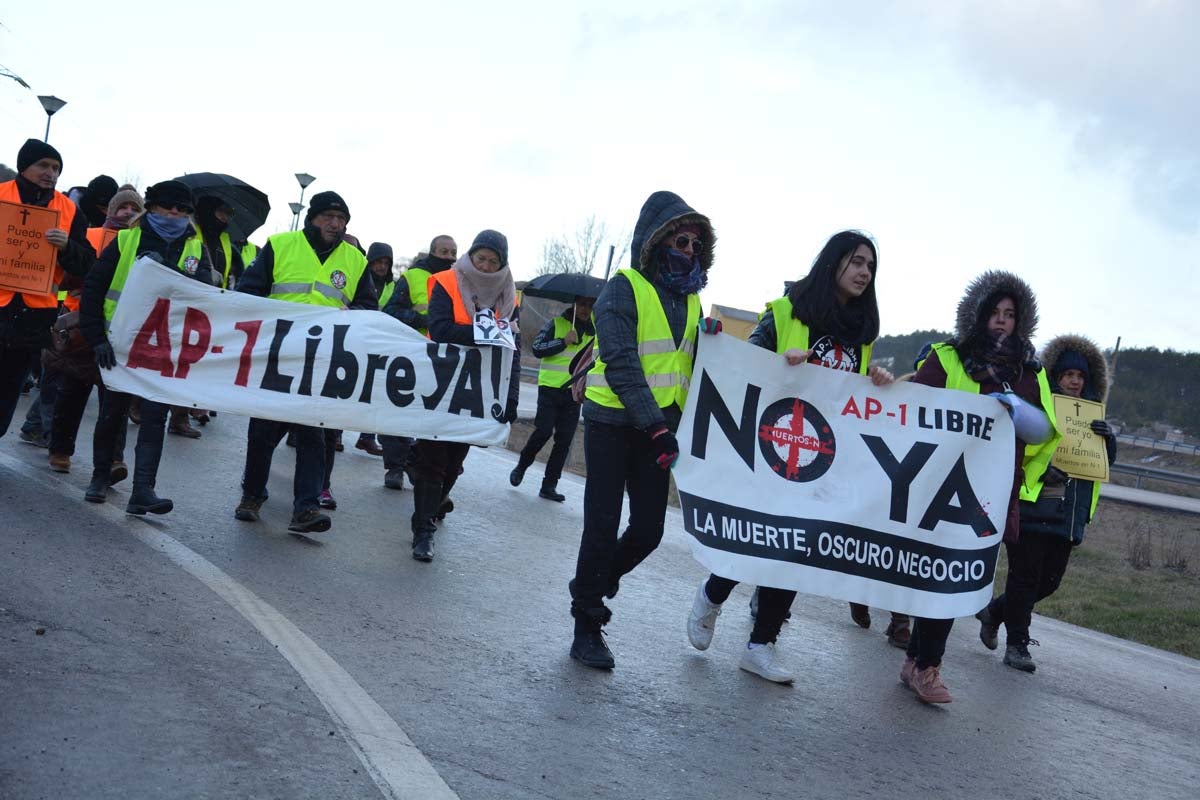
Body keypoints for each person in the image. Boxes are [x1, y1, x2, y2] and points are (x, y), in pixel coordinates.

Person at [685, 231, 894, 683]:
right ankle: (712, 593)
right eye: (857, 262)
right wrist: (781, 362)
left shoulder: (861, 334)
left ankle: (761, 645)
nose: (864, 272)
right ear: (834, 262)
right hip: (773, 445)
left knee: (798, 550)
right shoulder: (785, 312)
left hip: (823, 459)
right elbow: (741, 365)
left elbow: (850, 397)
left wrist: (876, 379)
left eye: (870, 267)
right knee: (760, 543)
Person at [567, 191, 710, 670]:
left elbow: (692, 366)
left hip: (659, 428)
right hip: (612, 422)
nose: (687, 250)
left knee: (648, 530)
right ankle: (587, 624)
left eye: (695, 244)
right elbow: (624, 362)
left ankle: (597, 579)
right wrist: (655, 426)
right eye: (679, 239)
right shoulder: (623, 287)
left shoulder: (693, 302)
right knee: (602, 525)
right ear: (654, 242)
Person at [900, 270, 1058, 703]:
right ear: (977, 315)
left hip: (989, 492)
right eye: (994, 312)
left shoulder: (1031, 370)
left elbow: (1045, 430)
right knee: (938, 576)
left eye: (1010, 314)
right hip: (938, 485)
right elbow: (913, 407)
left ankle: (920, 663)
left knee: (956, 579)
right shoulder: (948, 356)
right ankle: (925, 665)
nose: (1002, 321)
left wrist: (1017, 409)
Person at [233, 191, 376, 534]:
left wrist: (352, 314)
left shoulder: (355, 260)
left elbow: (368, 308)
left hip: (323, 363)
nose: (335, 224)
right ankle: (252, 496)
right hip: (278, 357)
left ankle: (306, 508)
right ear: (312, 218)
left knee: (314, 436)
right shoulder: (280, 245)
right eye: (328, 216)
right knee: (264, 434)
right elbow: (249, 291)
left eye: (341, 219)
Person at [975, 334, 1116, 672]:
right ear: (1056, 377)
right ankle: (1017, 646)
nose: (1075, 381)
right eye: (1068, 375)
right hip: (1032, 503)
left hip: (1067, 515)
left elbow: (1099, 467)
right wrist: (1042, 471)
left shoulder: (1092, 417)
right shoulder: (1036, 408)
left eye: (1080, 376)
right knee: (1024, 578)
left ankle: (994, 612)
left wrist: (1108, 441)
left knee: (1049, 583)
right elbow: (1014, 448)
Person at [79, 180, 216, 513]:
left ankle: (143, 490)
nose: (174, 214)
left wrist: (169, 274)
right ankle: (100, 478)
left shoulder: (196, 250)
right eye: (168, 207)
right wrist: (97, 337)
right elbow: (94, 290)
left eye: (182, 210)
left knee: (155, 419)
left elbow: (208, 298)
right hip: (120, 345)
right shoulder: (126, 240)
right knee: (112, 414)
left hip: (164, 351)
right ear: (151, 208)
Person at [408, 230, 520, 561]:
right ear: (470, 256)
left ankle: (428, 509)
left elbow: (512, 349)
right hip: (440, 381)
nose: (485, 266)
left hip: (479, 389)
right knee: (433, 457)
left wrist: (510, 398)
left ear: (503, 264)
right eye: (480, 258)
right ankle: (423, 530)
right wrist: (486, 335)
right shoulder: (446, 280)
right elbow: (440, 328)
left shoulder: (510, 295)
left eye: (493, 261)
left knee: (454, 461)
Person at [45, 186, 145, 476]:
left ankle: (114, 460)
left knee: (116, 399)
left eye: (133, 208)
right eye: (122, 207)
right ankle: (60, 450)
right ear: (110, 211)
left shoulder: (140, 241)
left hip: (120, 330)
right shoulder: (90, 234)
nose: (128, 212)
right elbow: (68, 269)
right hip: (81, 324)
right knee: (73, 391)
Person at [0, 140, 94, 441]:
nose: (50, 173)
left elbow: (87, 263)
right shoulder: (1, 196)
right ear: (23, 166)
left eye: (56, 168)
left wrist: (67, 246)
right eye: (43, 165)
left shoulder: (68, 210)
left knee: (9, 388)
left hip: (34, 315)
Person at [379, 235, 457, 490]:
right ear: (432, 252)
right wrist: (421, 320)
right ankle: (395, 467)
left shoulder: (461, 282)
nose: (448, 257)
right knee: (400, 412)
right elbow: (391, 311)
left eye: (453, 252)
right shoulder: (412, 277)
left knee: (429, 417)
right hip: (411, 355)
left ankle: (415, 460)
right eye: (443, 251)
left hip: (443, 360)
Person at [510, 294, 596, 501]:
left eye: (590, 306)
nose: (585, 309)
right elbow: (537, 349)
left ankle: (549, 485)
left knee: (564, 441)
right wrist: (563, 341)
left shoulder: (596, 332)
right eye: (582, 304)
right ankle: (522, 466)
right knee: (543, 431)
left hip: (574, 393)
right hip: (550, 388)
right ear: (574, 304)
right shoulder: (556, 324)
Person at [351, 242, 395, 458]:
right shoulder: (359, 279)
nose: (382, 266)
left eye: (386, 262)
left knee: (373, 392)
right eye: (378, 261)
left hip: (379, 345)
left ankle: (367, 436)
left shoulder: (392, 287)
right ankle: (336, 433)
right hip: (354, 342)